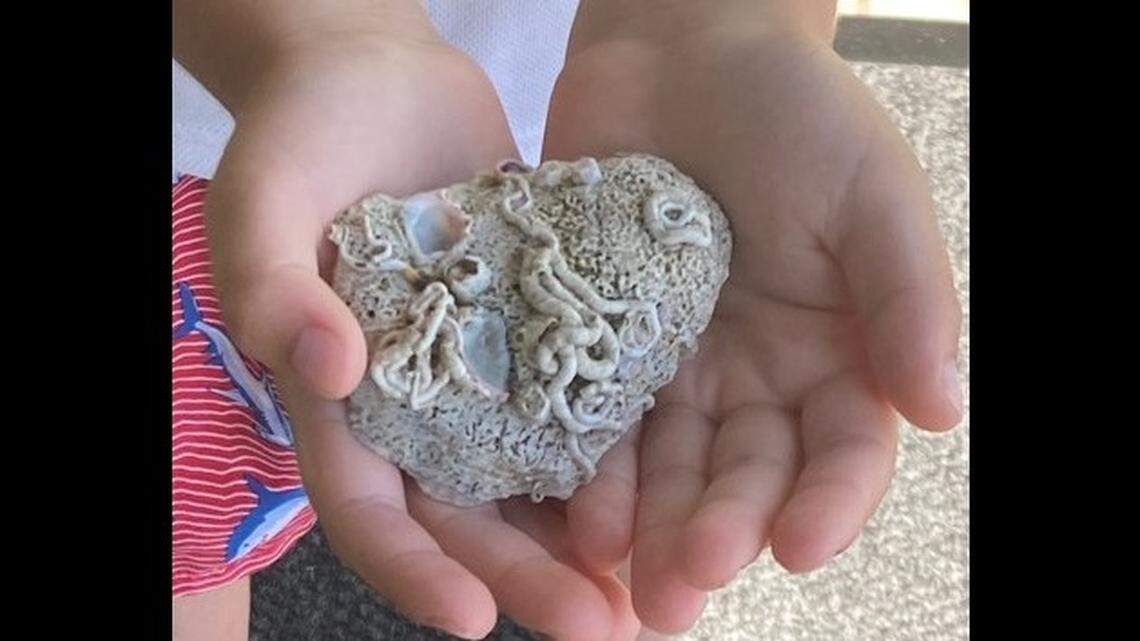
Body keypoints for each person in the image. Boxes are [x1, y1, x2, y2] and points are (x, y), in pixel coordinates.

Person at [172, 1, 964, 640]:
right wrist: (316, 32)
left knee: (639, 532)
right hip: (228, 112)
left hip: (586, 102)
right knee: (193, 502)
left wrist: (718, 22)